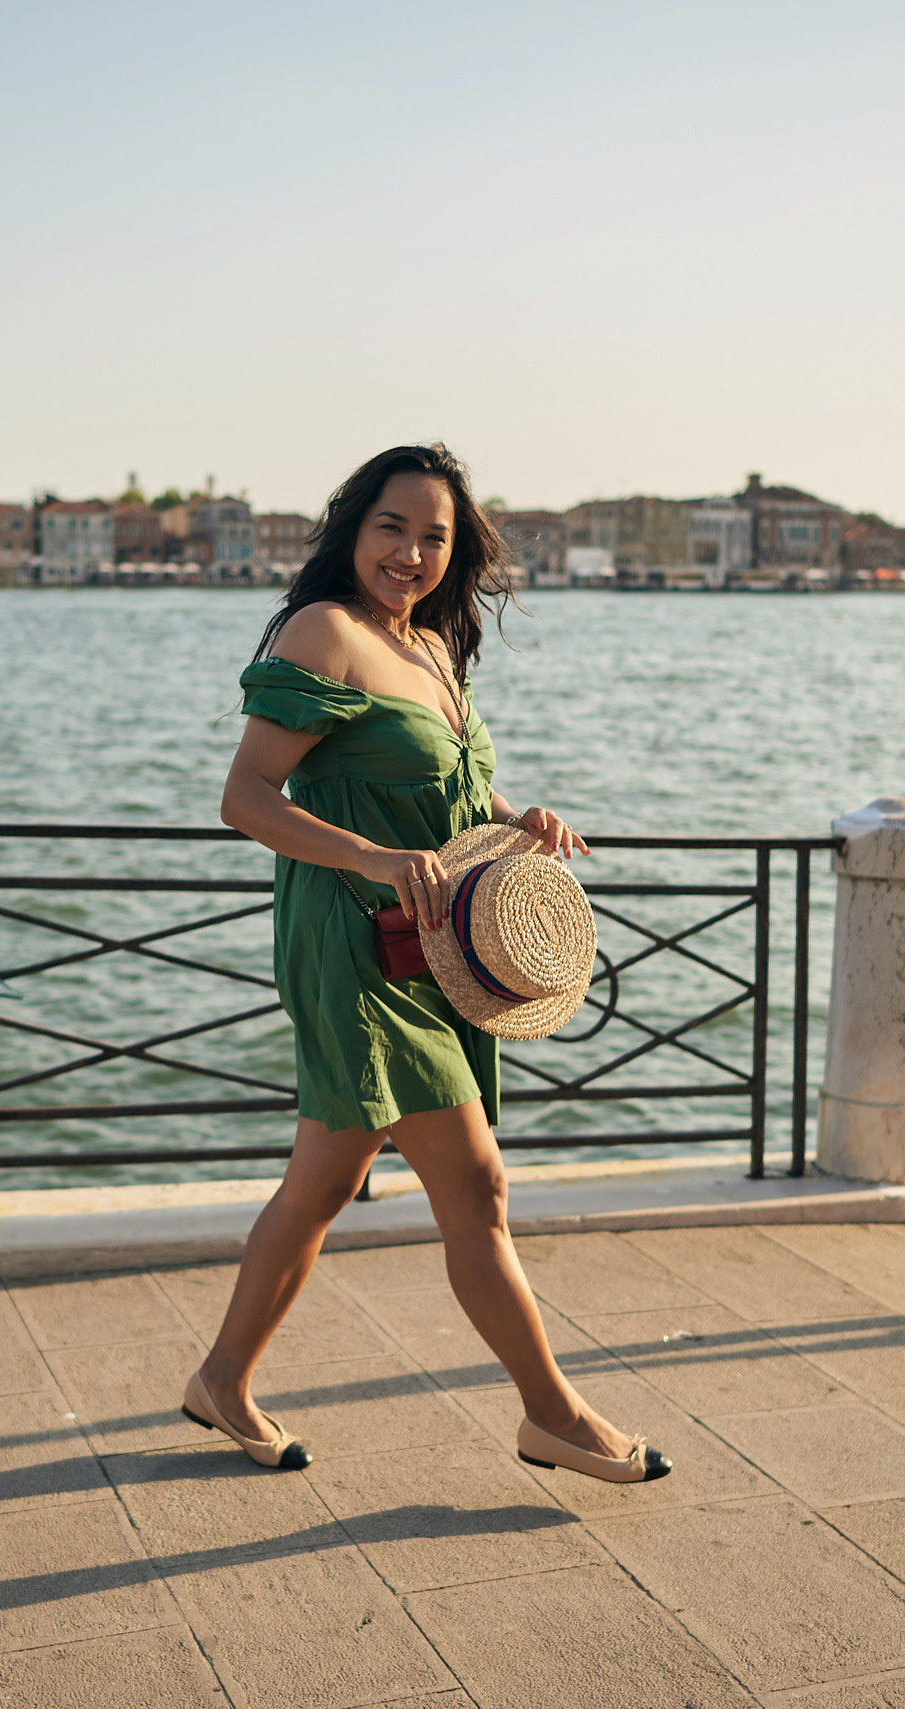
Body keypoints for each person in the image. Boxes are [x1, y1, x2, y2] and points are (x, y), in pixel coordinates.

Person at [184, 442, 670, 1485]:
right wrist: (369, 856)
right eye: (391, 528)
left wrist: (514, 813)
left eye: (434, 537)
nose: (410, 552)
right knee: (477, 1185)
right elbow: (246, 799)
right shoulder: (324, 633)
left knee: (322, 1181)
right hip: (354, 943)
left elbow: (445, 791)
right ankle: (555, 1414)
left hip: (434, 943)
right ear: (353, 530)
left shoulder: (429, 646)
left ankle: (221, 1378)